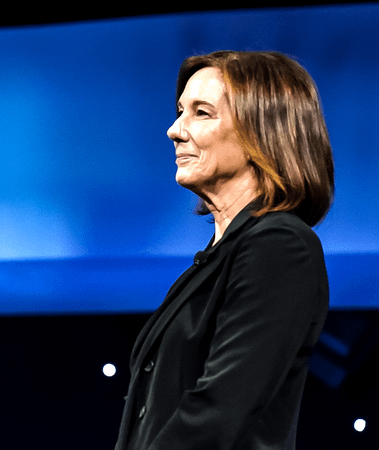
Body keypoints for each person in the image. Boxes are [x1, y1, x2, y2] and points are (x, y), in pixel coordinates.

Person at [114, 51, 334, 450]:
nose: (175, 130)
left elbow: (218, 412)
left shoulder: (281, 247)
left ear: (261, 134)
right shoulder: (217, 258)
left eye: (202, 113)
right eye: (180, 111)